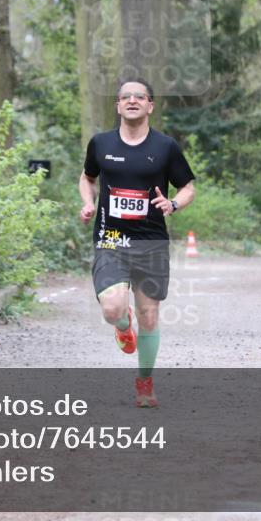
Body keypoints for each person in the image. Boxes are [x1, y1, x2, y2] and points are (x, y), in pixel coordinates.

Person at [79, 80, 195, 408]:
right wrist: (88, 202)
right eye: (125, 97)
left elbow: (188, 186)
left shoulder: (165, 147)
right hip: (111, 239)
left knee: (149, 315)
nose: (132, 100)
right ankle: (121, 324)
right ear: (117, 106)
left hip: (151, 242)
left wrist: (173, 204)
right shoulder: (100, 144)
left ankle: (145, 383)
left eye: (139, 97)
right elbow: (87, 178)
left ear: (150, 106)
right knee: (112, 308)